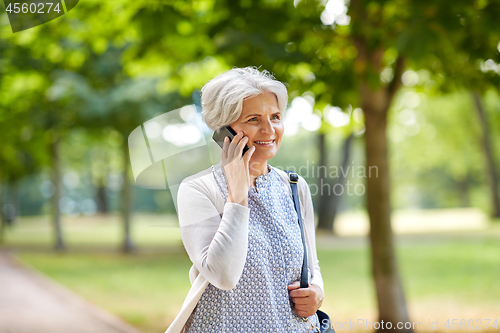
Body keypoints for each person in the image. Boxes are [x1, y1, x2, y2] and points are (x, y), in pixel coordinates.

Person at [166, 67, 324, 333]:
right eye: (253, 119)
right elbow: (224, 275)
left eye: (275, 117)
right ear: (224, 130)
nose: (269, 129)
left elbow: (311, 262)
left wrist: (317, 291)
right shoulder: (198, 189)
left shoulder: (295, 186)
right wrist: (237, 195)